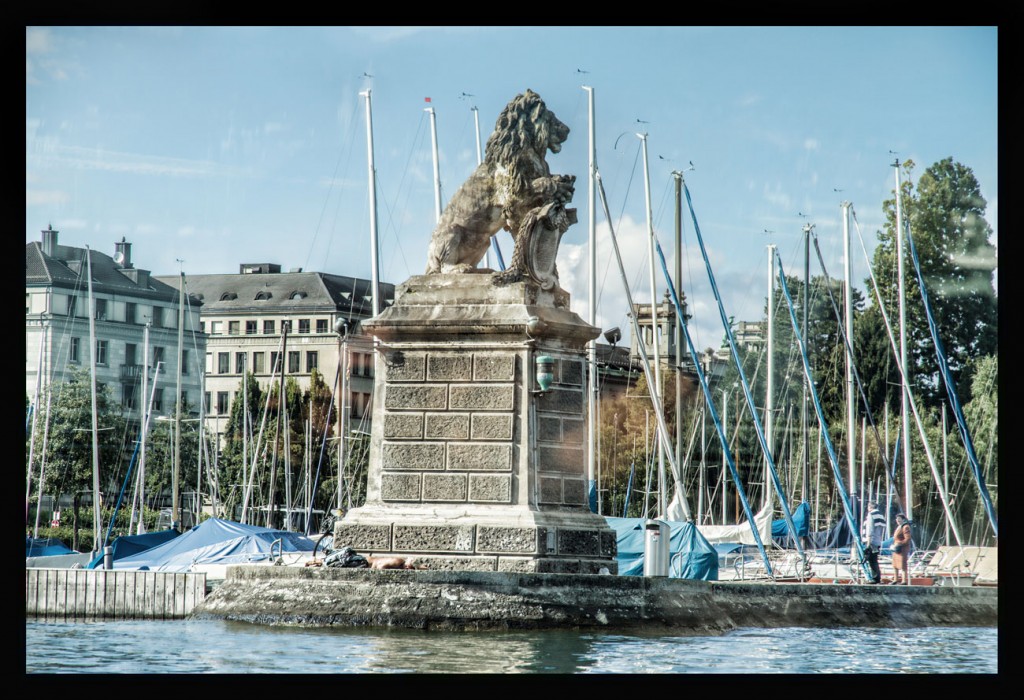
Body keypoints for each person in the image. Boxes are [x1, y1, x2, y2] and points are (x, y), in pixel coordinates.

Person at [891, 513, 914, 585]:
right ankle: (895, 579)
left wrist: (899, 543)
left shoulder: (905, 527)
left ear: (903, 519)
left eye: (899, 519)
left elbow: (907, 539)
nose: (897, 521)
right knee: (895, 564)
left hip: (902, 549)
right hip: (896, 548)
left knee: (903, 565)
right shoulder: (899, 527)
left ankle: (904, 581)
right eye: (897, 519)